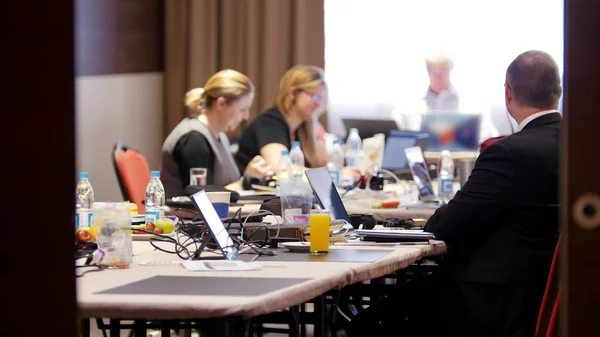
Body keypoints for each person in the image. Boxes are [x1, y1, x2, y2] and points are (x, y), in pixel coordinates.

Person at [351, 50, 562, 337]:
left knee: (368, 321)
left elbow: (447, 225)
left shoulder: (508, 153)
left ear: (508, 93)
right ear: (558, 91)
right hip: (550, 298)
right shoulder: (582, 145)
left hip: (489, 299)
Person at [160, 70, 274, 198]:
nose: (246, 117)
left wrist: (250, 178)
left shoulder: (219, 136)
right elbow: (202, 197)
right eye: (242, 109)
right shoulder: (193, 140)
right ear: (221, 104)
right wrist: (244, 181)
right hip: (184, 217)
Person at [235, 65, 329, 171]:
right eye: (314, 96)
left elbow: (322, 162)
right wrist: (323, 176)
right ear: (293, 93)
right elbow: (281, 167)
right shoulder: (269, 123)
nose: (318, 103)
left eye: (320, 98)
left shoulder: (302, 128)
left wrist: (314, 126)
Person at [396, 50, 500, 142]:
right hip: (421, 161)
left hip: (463, 160)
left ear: (450, 69)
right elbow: (399, 135)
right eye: (434, 74)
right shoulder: (411, 104)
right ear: (427, 72)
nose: (439, 78)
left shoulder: (471, 103)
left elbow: (489, 137)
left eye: (443, 73)